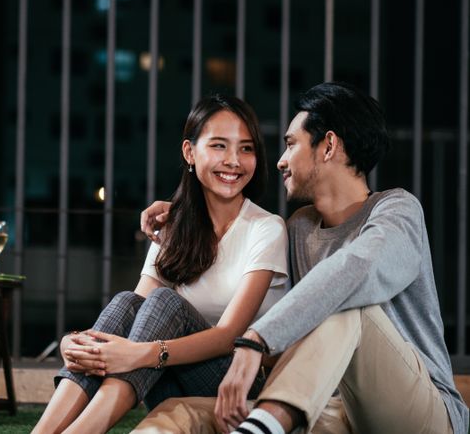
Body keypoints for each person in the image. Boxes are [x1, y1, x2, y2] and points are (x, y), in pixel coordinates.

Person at [136, 82, 469, 434]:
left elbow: (357, 269)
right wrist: (189, 212)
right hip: (332, 407)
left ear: (328, 146)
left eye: (291, 144)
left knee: (344, 304)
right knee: (180, 411)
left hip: (421, 414)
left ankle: (264, 427)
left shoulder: (397, 210)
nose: (280, 160)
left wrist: (255, 339)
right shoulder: (301, 228)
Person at [31, 94, 289, 434]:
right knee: (127, 302)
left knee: (167, 302)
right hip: (169, 376)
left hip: (241, 380)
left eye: (246, 148)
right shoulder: (172, 226)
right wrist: (76, 342)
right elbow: (135, 312)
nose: (233, 161)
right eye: (219, 146)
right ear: (189, 153)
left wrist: (139, 355)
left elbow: (229, 337)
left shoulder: (266, 228)